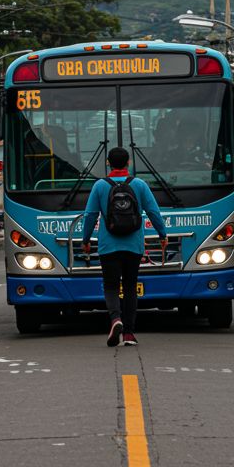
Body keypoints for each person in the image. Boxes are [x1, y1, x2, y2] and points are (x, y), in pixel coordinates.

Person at [82, 146, 167, 347]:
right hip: (134, 246)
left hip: (108, 245)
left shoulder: (100, 186)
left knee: (111, 286)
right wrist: (162, 234)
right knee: (130, 287)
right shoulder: (139, 184)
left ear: (108, 163)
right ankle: (128, 334)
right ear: (128, 163)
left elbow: (90, 215)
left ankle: (115, 319)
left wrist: (86, 240)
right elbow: (153, 212)